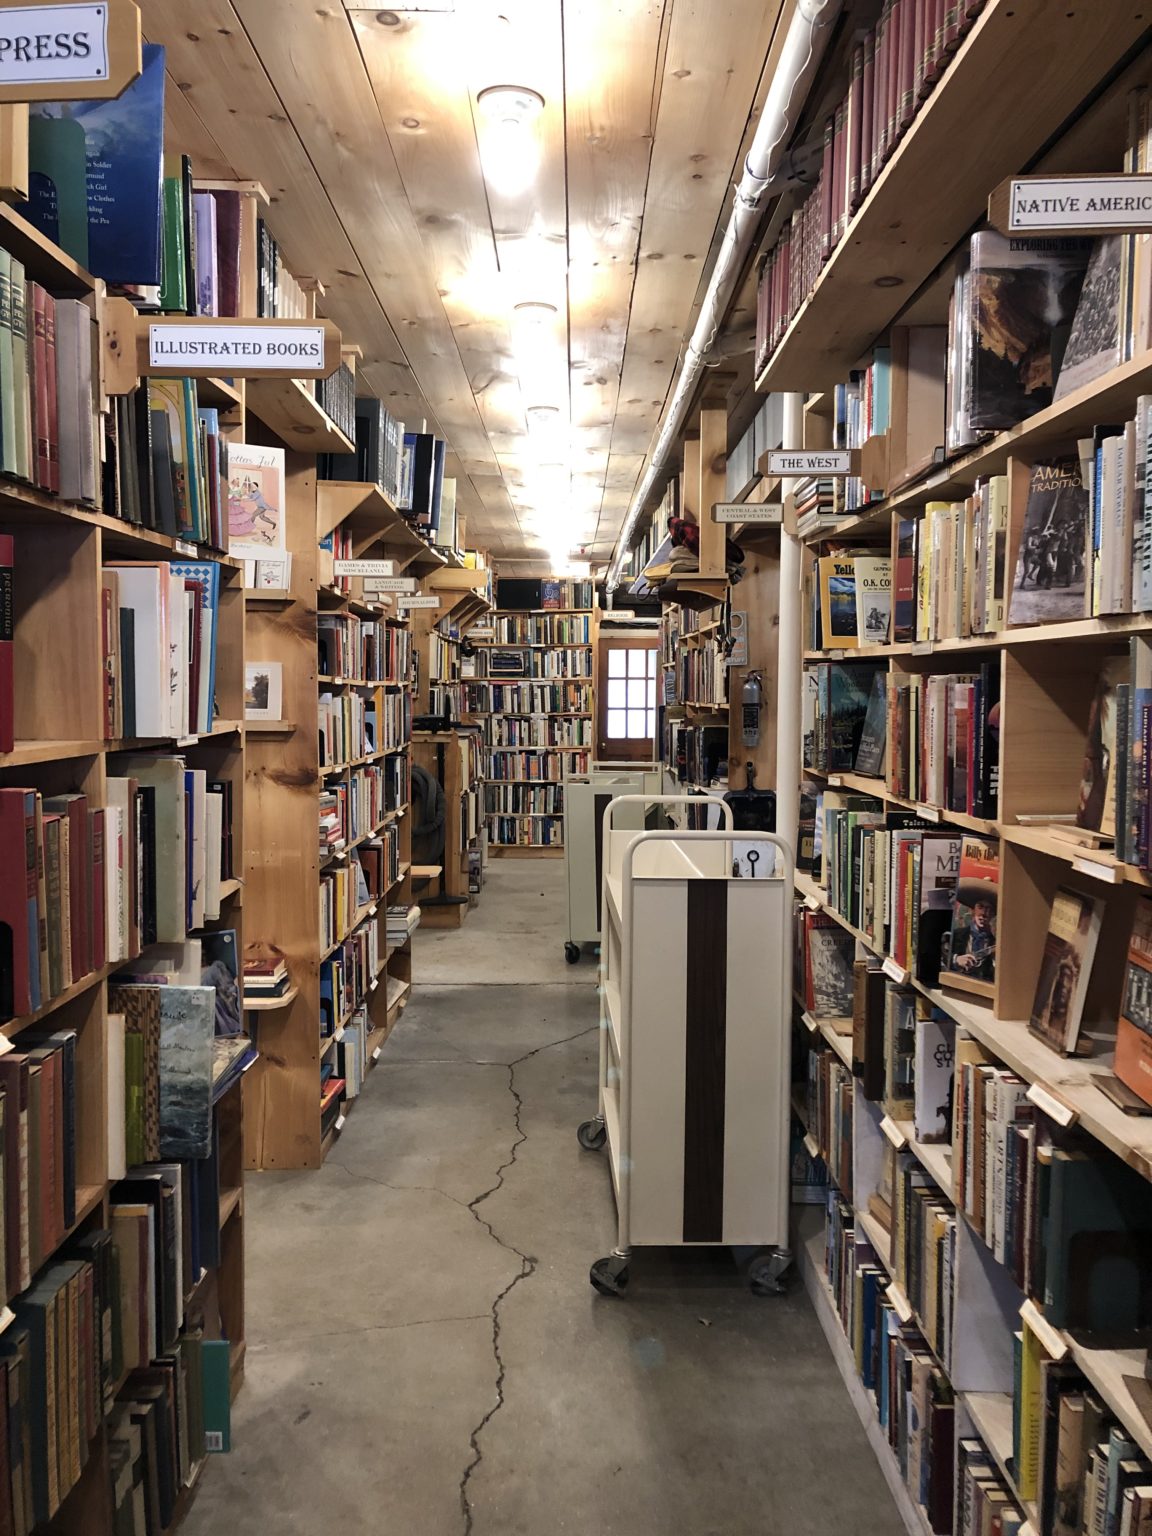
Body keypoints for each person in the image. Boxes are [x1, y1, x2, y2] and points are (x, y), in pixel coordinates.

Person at [951, 896, 995, 981]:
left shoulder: (995, 943)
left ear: (993, 914)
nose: (983, 913)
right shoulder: (956, 934)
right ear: (973, 911)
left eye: (988, 908)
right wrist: (956, 959)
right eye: (980, 907)